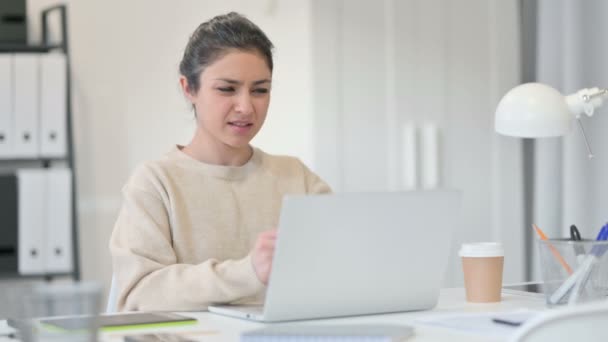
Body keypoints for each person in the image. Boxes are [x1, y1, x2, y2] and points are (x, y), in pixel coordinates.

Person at [109, 12, 331, 312]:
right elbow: (139, 295)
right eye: (227, 89)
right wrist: (248, 272)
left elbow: (341, 269)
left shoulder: (296, 178)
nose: (245, 107)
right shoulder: (155, 183)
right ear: (189, 89)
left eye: (260, 90)